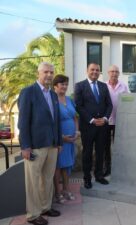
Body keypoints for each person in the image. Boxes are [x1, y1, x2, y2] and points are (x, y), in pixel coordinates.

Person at [18, 62, 62, 225]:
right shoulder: (28, 92)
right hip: (35, 146)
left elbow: (56, 120)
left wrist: (58, 142)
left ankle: (45, 207)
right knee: (33, 182)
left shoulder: (53, 95)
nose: (49, 75)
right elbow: (23, 122)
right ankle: (33, 214)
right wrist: (25, 146)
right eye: (46, 72)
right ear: (39, 73)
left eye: (51, 72)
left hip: (52, 145)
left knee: (47, 179)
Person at [74, 63, 113, 189]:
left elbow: (109, 105)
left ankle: (99, 176)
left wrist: (105, 118)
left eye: (97, 70)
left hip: (102, 126)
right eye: (92, 70)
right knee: (87, 153)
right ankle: (87, 179)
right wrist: (91, 120)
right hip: (88, 126)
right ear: (87, 71)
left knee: (101, 152)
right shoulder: (80, 86)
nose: (95, 72)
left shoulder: (103, 86)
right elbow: (79, 106)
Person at [53, 75, 79, 204]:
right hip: (60, 140)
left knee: (68, 166)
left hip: (72, 139)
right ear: (55, 85)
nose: (64, 86)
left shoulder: (69, 100)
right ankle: (57, 193)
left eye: (66, 84)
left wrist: (77, 131)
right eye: (62, 84)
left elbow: (75, 117)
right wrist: (61, 137)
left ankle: (66, 190)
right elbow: (51, 122)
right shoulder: (52, 100)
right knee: (58, 167)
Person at [104, 65, 128, 176]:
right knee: (105, 146)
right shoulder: (103, 85)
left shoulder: (124, 86)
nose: (114, 73)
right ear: (108, 73)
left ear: (119, 73)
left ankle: (120, 168)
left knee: (120, 146)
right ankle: (107, 167)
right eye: (112, 71)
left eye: (116, 71)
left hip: (120, 121)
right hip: (106, 120)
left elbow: (128, 102)